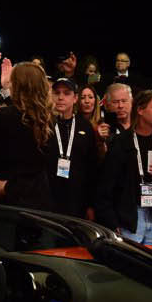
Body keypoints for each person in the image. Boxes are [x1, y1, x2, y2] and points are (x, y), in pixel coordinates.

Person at [95, 88, 152, 247]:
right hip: (130, 217)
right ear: (140, 110)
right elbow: (105, 186)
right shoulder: (120, 142)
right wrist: (111, 222)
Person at [0, 61, 57, 210]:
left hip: (7, 201)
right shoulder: (48, 120)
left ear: (18, 85)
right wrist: (7, 90)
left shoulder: (3, 117)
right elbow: (22, 113)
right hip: (39, 200)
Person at [46, 75, 102, 218]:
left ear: (75, 98)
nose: (60, 97)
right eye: (57, 93)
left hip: (78, 202)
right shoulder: (45, 124)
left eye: (66, 93)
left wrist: (91, 204)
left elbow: (92, 168)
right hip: (48, 199)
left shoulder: (85, 126)